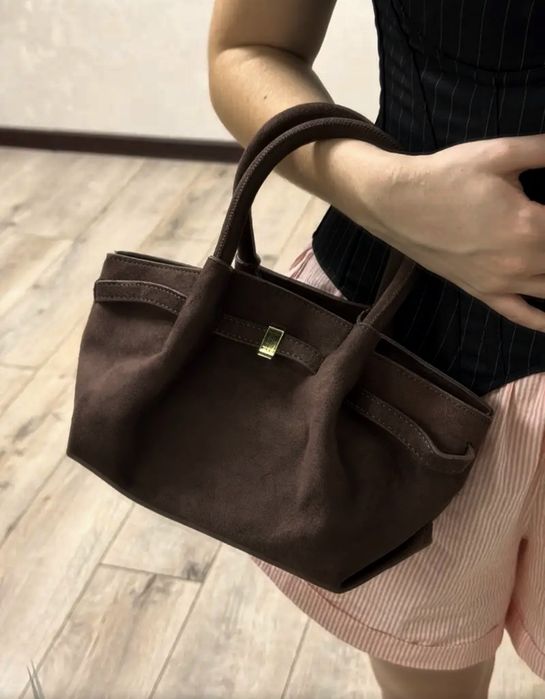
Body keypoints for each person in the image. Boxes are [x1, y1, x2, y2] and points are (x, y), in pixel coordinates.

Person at [207, 1, 545, 697]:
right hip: (409, 364)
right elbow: (246, 49)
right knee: (425, 672)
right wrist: (388, 194)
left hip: (408, 355)